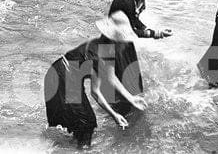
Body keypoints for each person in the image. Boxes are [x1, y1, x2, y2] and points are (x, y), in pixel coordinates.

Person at [43, 11, 145, 148]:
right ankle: (81, 149)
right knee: (87, 123)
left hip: (56, 72)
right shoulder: (100, 54)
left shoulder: (104, 47)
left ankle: (65, 148)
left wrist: (130, 98)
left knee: (79, 123)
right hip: (62, 78)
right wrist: (115, 115)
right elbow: (96, 92)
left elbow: (110, 77)